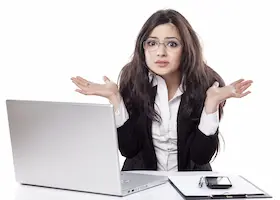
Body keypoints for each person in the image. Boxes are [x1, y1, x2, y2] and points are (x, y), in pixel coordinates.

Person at [71, 9, 252, 171]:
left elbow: (200, 157)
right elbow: (129, 149)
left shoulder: (205, 84)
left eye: (172, 44)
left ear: (186, 49)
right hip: (141, 183)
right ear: (143, 47)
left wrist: (211, 105)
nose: (161, 52)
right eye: (152, 43)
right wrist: (115, 98)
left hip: (189, 186)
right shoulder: (133, 80)